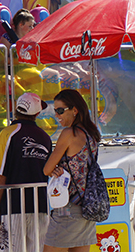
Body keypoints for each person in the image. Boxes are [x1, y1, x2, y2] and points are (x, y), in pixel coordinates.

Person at [0, 92, 52, 251]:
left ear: (16, 110)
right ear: (37, 113)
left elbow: (1, 174)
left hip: (13, 206)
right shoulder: (45, 137)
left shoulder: (8, 133)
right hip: (40, 206)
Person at [43, 89, 102, 252]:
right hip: (88, 207)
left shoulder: (69, 133)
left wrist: (54, 169)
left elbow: (47, 169)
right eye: (55, 111)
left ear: (75, 110)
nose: (57, 115)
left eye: (60, 110)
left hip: (68, 207)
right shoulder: (92, 134)